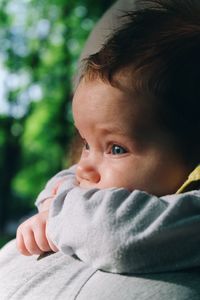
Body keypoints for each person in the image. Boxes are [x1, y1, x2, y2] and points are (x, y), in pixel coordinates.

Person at [0, 0, 200, 299]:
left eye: (116, 149)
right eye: (85, 144)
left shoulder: (190, 217)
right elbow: (60, 183)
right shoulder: (94, 177)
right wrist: (55, 210)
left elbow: (117, 233)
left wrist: (58, 218)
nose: (84, 169)